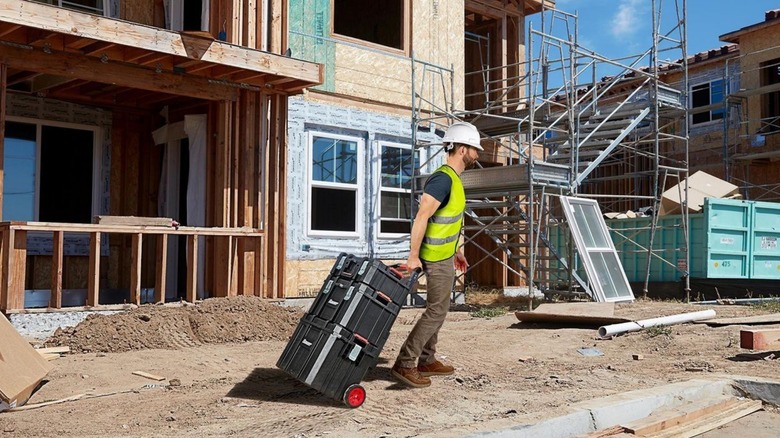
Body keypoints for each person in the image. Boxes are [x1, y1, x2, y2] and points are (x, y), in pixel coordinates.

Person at [391, 121, 483, 388]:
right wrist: (413, 256)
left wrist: (458, 250)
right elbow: (422, 216)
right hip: (433, 256)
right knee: (436, 311)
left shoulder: (454, 179)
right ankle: (406, 363)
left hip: (445, 254)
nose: (478, 153)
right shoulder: (443, 178)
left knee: (439, 310)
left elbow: (448, 220)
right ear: (463, 149)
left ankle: (427, 360)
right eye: (474, 148)